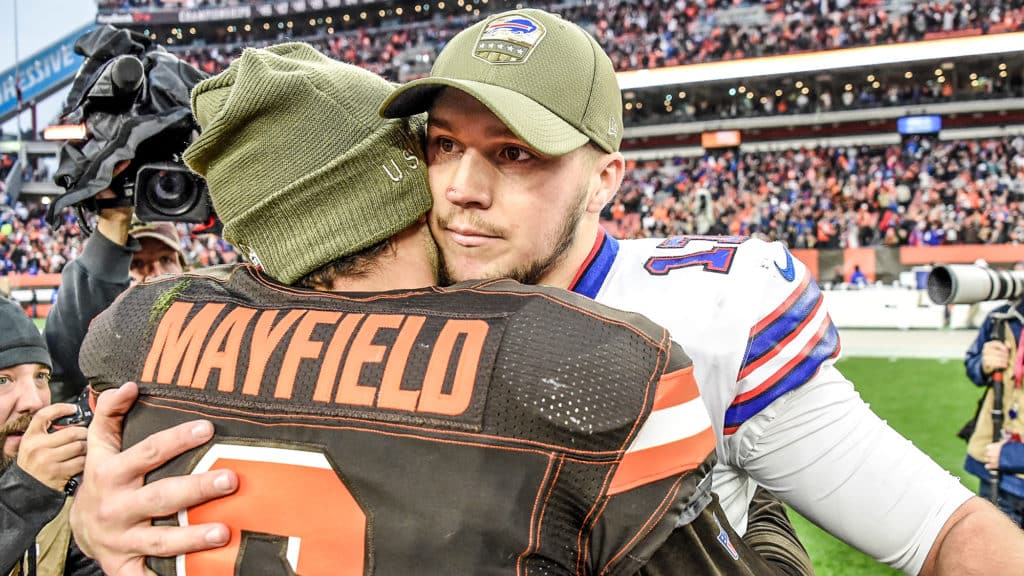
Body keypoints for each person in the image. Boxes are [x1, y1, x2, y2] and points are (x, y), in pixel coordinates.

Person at [70, 43, 789, 576]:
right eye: (437, 150)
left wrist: (82, 522)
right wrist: (757, 497)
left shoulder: (136, 334)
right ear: (404, 184)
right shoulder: (587, 367)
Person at [378, 8, 1024, 574]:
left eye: (514, 153)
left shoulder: (704, 317)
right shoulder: (387, 283)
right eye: (444, 144)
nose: (462, 188)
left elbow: (946, 531)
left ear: (604, 181)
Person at [45, 200, 186, 402]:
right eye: (137, 263)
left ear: (184, 265)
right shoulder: (92, 336)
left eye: (166, 259)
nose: (156, 275)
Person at [0, 297, 100, 575]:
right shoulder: (36, 488)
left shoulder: (59, 488)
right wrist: (25, 496)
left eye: (41, 377)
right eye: (3, 380)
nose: (34, 401)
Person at [963, 296, 1024, 526]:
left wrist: (1013, 456)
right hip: (995, 471)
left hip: (1003, 458)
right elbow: (973, 367)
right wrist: (983, 363)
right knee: (995, 557)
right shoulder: (1002, 317)